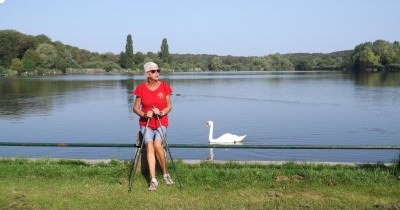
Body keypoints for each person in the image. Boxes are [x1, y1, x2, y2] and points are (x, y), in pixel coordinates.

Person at [132, 61, 174, 191]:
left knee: (157, 144)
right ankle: (153, 179)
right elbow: (135, 108)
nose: (157, 73)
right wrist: (145, 114)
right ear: (147, 74)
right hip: (146, 123)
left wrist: (160, 112)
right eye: (153, 71)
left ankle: (166, 173)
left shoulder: (164, 86)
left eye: (158, 70)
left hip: (161, 121)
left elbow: (169, 106)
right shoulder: (141, 88)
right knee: (149, 145)